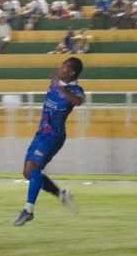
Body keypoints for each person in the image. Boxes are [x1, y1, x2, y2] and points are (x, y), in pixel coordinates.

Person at [14, 57, 84, 226]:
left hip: (54, 135)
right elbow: (55, 78)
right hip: (41, 133)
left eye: (64, 67)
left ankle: (28, 210)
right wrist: (58, 82)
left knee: (35, 168)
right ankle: (61, 195)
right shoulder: (55, 82)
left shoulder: (76, 89)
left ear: (72, 72)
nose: (60, 68)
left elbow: (78, 101)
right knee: (28, 173)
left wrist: (60, 87)